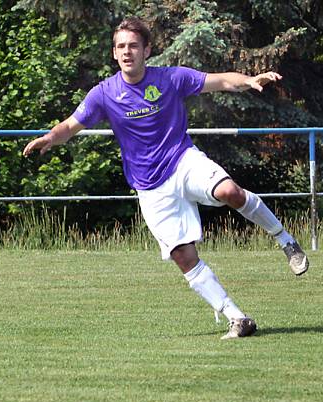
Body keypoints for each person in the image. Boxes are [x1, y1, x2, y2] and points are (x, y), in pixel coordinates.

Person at [23, 17, 308, 340]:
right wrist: (50, 137)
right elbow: (71, 125)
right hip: (149, 185)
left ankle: (285, 240)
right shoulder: (104, 93)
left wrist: (248, 79)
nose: (127, 52)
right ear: (114, 54)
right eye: (120, 47)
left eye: (133, 45)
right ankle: (237, 318)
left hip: (182, 161)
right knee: (183, 256)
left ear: (147, 49)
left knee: (231, 191)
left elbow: (221, 81)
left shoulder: (171, 78)